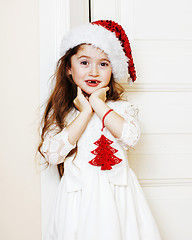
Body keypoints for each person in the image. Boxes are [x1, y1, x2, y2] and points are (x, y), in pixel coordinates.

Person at [38, 20, 162, 240]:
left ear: (113, 69)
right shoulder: (64, 113)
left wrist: (98, 105)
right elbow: (52, 154)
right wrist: (85, 113)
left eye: (103, 64)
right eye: (84, 62)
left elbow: (130, 136)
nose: (94, 71)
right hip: (78, 199)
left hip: (119, 195)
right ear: (69, 67)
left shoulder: (121, 109)